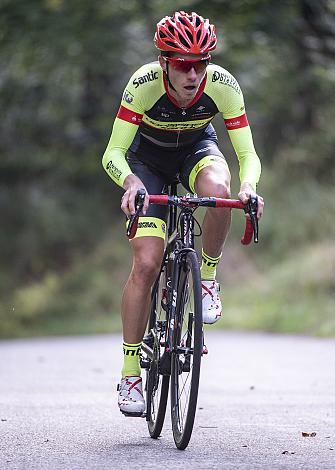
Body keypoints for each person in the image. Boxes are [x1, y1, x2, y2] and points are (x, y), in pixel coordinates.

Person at [102, 11, 264, 417]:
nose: (193, 74)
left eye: (200, 64)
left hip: (195, 151)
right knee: (146, 263)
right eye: (183, 65)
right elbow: (112, 154)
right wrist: (130, 183)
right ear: (164, 63)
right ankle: (129, 373)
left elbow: (246, 153)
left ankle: (207, 277)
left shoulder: (224, 86)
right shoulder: (142, 85)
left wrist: (250, 188)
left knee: (220, 191)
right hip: (147, 164)